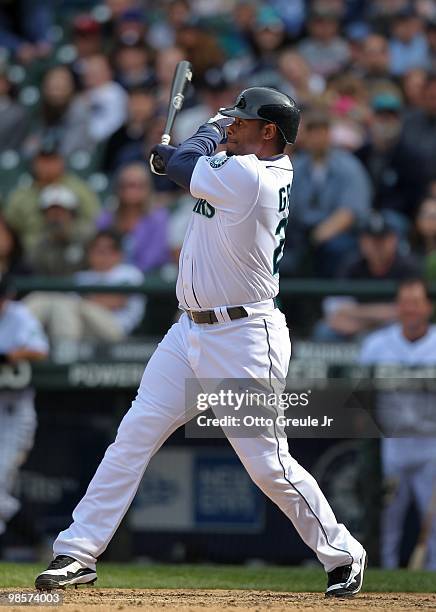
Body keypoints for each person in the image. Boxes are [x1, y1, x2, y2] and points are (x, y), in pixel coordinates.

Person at [35, 86, 366, 597]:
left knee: (267, 465)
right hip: (188, 330)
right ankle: (78, 551)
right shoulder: (239, 166)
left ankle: (343, 551)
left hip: (243, 336)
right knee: (134, 435)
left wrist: (195, 140)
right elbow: (184, 164)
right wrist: (184, 153)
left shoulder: (254, 175)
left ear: (269, 132)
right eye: (230, 120)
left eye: (241, 121)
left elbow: (183, 165)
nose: (232, 126)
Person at [359, 278, 436, 569]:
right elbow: (359, 397)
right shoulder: (377, 345)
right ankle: (385, 581)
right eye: (405, 303)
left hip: (431, 446)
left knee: (434, 526)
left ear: (428, 307)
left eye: (416, 302)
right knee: (388, 521)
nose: (411, 309)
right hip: (394, 444)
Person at [25, 230, 145, 343]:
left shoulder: (129, 273)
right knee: (41, 298)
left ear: (119, 254)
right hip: (85, 329)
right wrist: (86, 299)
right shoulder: (82, 276)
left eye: (107, 250)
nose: (101, 255)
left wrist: (84, 300)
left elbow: (115, 301)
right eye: (97, 250)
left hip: (116, 329)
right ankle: (19, 336)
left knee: (66, 302)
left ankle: (66, 351)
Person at [0, 274, 49, 540]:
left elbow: (40, 350)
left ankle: (37, 539)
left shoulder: (18, 315)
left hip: (14, 411)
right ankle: (38, 539)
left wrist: (8, 356)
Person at [5, 136, 100, 252]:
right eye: (43, 160)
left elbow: (93, 219)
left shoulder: (80, 189)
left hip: (72, 249)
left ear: (62, 162)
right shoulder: (21, 195)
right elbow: (11, 227)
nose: (48, 166)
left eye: (53, 159)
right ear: (34, 163)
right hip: (32, 254)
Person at [96, 163, 170, 273]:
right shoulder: (107, 217)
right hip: (108, 276)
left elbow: (154, 257)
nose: (130, 190)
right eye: (126, 185)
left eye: (137, 185)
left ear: (147, 188)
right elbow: (98, 250)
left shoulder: (158, 218)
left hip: (147, 279)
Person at [29, 185, 92, 276]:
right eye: (51, 213)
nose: (56, 218)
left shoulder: (88, 238)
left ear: (72, 215)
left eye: (61, 212)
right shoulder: (39, 246)